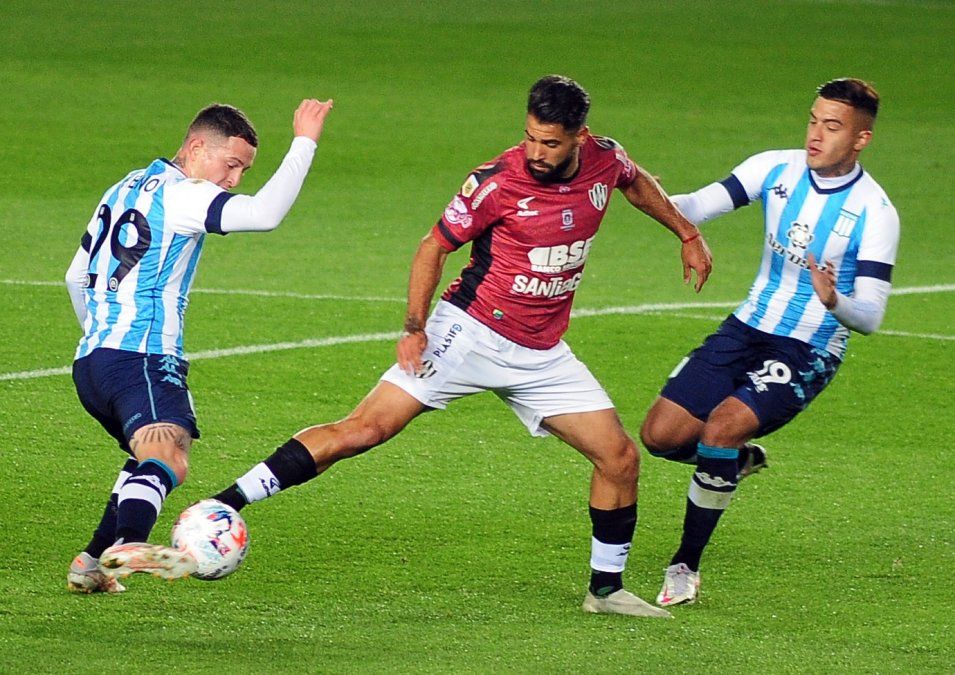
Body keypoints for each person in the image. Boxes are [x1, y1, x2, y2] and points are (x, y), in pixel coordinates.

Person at [119, 75, 711, 616]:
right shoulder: (496, 183)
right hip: (467, 333)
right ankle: (221, 506)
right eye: (530, 137)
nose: (536, 152)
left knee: (620, 458)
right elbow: (434, 246)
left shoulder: (605, 160)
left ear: (579, 136)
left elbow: (635, 184)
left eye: (551, 144)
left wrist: (686, 232)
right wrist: (415, 327)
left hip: (541, 352)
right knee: (363, 430)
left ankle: (604, 591)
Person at [639, 78, 900, 607]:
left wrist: (834, 302)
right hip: (747, 327)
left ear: (860, 139)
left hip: (809, 347)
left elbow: (869, 316)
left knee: (722, 426)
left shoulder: (876, 212)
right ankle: (730, 464)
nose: (815, 135)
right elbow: (694, 207)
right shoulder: (774, 168)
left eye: (832, 126)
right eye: (813, 120)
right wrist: (646, 191)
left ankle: (685, 564)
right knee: (659, 436)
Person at [64, 98, 334, 593]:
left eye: (243, 170)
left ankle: (92, 565)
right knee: (168, 456)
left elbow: (75, 275)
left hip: (93, 363)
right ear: (195, 148)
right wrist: (305, 141)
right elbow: (265, 214)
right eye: (231, 164)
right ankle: (125, 544)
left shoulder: (125, 185)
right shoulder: (183, 195)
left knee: (149, 456)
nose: (234, 179)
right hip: (141, 358)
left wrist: (98, 338)